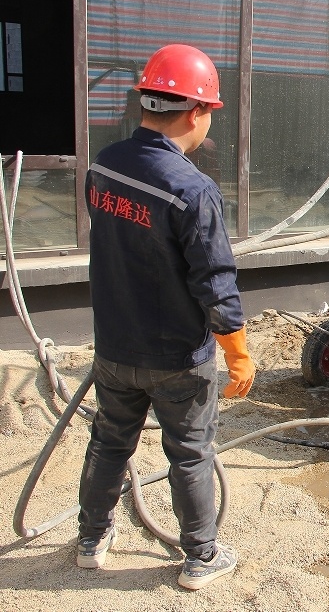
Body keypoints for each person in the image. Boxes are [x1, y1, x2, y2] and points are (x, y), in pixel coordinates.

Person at [77, 44, 255, 590]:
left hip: (114, 346)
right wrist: (238, 355)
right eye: (210, 112)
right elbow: (215, 284)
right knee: (191, 454)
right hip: (178, 356)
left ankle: (91, 539)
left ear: (146, 103)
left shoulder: (103, 166)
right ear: (196, 112)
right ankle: (201, 557)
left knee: (110, 441)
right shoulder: (192, 190)